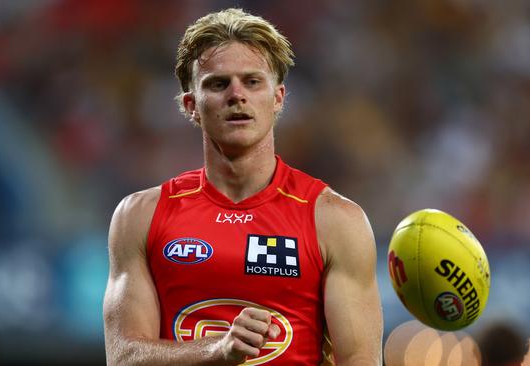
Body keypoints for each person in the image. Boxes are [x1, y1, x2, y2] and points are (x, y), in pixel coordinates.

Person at [103, 8, 383, 365]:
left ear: (278, 98)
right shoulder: (140, 216)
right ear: (192, 105)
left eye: (252, 82)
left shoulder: (334, 220)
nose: (237, 95)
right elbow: (123, 357)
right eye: (218, 84)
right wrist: (217, 350)